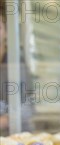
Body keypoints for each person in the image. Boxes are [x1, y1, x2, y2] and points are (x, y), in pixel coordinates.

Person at [0, 6, 34, 136]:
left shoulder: (16, 62)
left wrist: (5, 120)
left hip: (16, 137)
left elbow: (29, 105)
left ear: (6, 33)